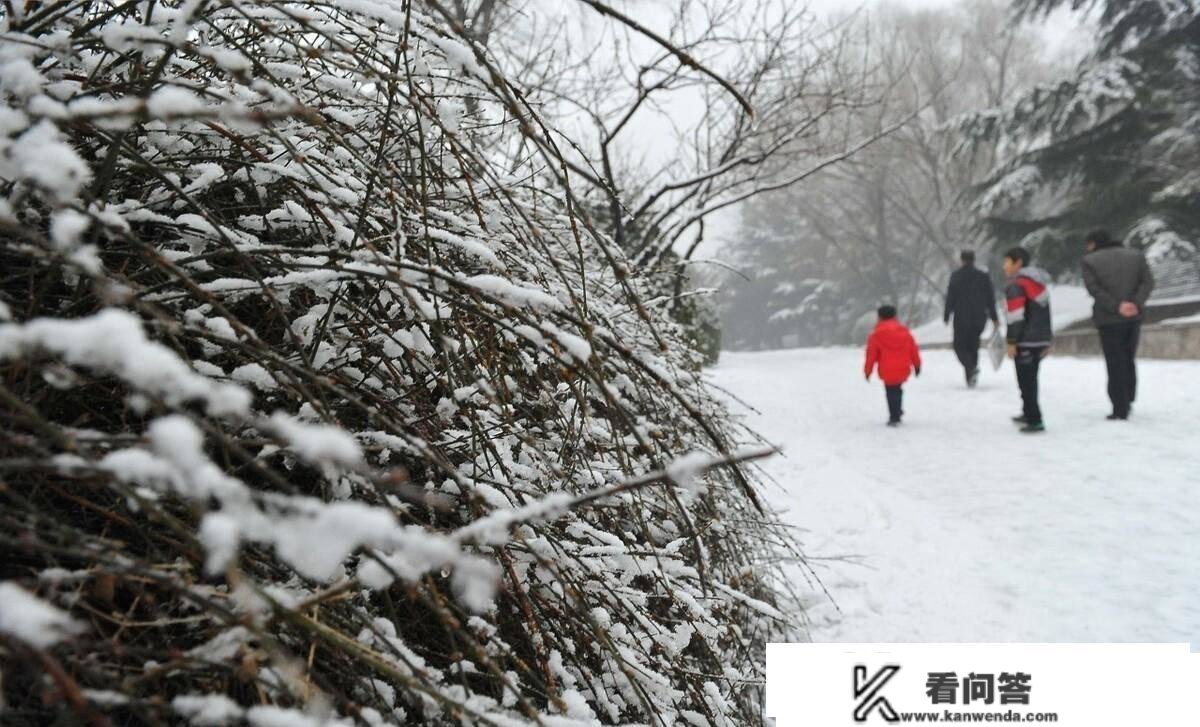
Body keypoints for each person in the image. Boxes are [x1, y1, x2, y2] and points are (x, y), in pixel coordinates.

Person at [1081, 230, 1155, 420]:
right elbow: (1148, 282)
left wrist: (1117, 306)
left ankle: (1119, 408)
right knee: (1129, 357)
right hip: (1134, 317)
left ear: (1093, 243)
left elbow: (1094, 289)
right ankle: (1129, 398)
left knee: (1115, 362)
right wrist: (1135, 304)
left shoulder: (1090, 261)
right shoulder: (1136, 256)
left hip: (1108, 319)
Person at [1002, 247, 1052, 433]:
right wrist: (1047, 339)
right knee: (1031, 379)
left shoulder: (1017, 285)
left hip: (1025, 340)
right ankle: (1027, 411)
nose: (1004, 266)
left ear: (1018, 263)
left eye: (1007, 261)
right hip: (1039, 339)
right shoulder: (1038, 283)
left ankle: (1034, 419)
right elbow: (1045, 314)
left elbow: (1016, 316)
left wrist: (1012, 341)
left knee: (1026, 381)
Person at [944, 250, 999, 387]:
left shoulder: (956, 276)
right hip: (979, 318)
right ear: (974, 260)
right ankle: (971, 379)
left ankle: (971, 369)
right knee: (973, 346)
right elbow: (990, 298)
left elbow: (950, 297)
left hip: (961, 317)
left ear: (962, 260)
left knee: (959, 346)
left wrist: (947, 314)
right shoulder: (983, 276)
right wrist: (994, 317)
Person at [864, 305, 922, 427]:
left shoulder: (875, 335)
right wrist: (917, 365)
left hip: (886, 369)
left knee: (890, 391)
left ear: (879, 317)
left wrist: (868, 371)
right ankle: (898, 410)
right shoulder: (905, 333)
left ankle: (894, 416)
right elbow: (913, 350)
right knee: (897, 389)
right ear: (895, 316)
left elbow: (871, 356)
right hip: (903, 367)